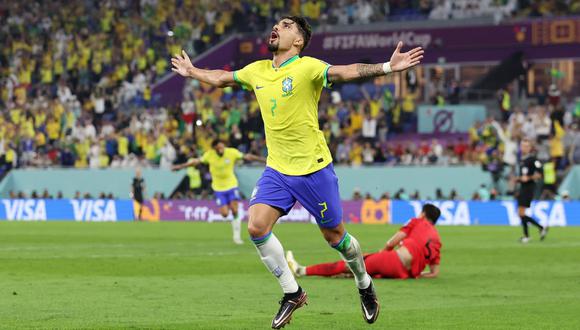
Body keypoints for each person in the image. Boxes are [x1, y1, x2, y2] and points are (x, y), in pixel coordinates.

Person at [171, 15, 423, 328]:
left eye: (287, 26)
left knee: (336, 237)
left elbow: (345, 72)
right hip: (277, 168)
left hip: (313, 169)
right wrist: (192, 71)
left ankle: (364, 283)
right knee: (256, 227)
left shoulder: (307, 67)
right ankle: (293, 292)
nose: (277, 28)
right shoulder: (257, 70)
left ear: (299, 41)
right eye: (277, 24)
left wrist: (387, 67)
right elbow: (222, 79)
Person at [286, 204, 442, 280]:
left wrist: (385, 251)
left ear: (423, 214)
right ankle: (352, 273)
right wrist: (417, 275)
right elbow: (434, 273)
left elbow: (395, 239)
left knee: (350, 264)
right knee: (364, 265)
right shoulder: (437, 240)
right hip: (404, 274)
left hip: (394, 261)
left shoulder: (418, 221)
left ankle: (302, 270)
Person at [172, 140, 265, 244]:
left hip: (231, 186)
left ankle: (236, 237)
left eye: (222, 147)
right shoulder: (209, 155)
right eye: (219, 148)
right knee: (225, 214)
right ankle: (233, 223)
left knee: (234, 210)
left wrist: (263, 160)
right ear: (214, 148)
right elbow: (195, 162)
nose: (221, 149)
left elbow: (248, 157)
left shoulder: (231, 152)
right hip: (218, 188)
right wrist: (180, 167)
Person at [516, 139, 548, 243]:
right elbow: (524, 176)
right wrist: (518, 179)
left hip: (529, 188)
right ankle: (529, 234)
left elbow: (539, 174)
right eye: (522, 146)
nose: (523, 148)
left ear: (530, 148)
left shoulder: (533, 159)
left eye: (526, 146)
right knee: (520, 213)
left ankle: (539, 229)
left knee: (521, 212)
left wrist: (528, 178)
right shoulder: (522, 160)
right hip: (523, 187)